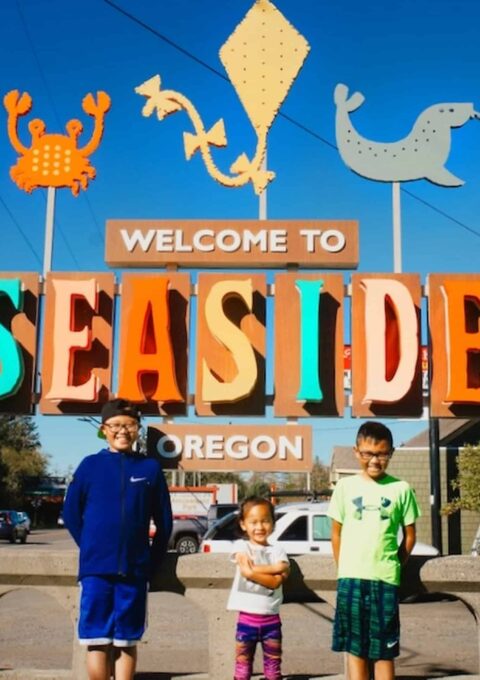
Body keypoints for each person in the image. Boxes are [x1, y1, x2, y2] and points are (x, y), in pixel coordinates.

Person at [63, 398, 172, 680]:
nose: (122, 431)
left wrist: (152, 560)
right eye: (115, 425)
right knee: (97, 640)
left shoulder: (150, 468)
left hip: (134, 571)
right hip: (95, 571)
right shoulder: (89, 466)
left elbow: (164, 521)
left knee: (127, 640)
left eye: (130, 425)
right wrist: (90, 547)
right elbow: (71, 513)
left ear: (138, 429)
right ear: (103, 429)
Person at [328, 421, 420, 680]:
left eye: (382, 453)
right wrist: (343, 566)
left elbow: (410, 537)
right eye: (368, 453)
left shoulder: (401, 489)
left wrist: (394, 564)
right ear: (357, 452)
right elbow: (336, 533)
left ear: (391, 453)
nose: (375, 460)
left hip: (385, 580)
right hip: (350, 579)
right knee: (355, 648)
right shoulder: (345, 488)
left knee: (384, 650)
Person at [227, 496, 290, 680]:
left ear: (273, 523)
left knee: (273, 668)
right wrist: (273, 569)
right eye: (253, 522)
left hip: (272, 621)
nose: (260, 527)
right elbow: (276, 570)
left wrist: (252, 570)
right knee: (242, 667)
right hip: (246, 622)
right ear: (243, 524)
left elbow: (277, 578)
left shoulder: (278, 550)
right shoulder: (241, 546)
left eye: (265, 521)